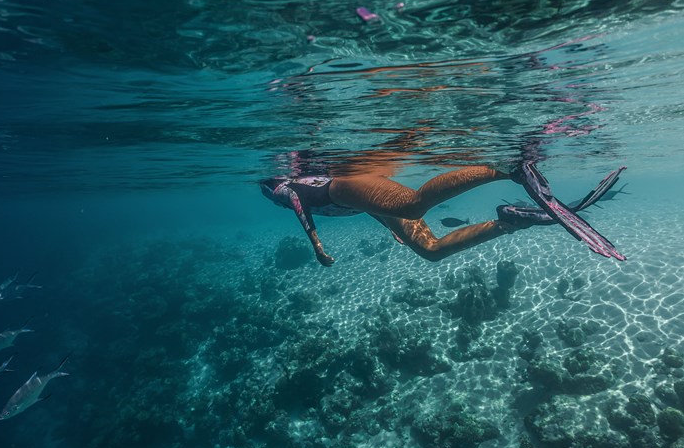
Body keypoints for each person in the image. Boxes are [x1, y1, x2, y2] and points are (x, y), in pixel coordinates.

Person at [260, 163, 626, 266]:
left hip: (347, 184)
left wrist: (316, 244)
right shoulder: (289, 186)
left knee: (413, 205)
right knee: (430, 250)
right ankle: (510, 220)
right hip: (361, 199)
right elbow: (359, 206)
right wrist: (384, 221)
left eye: (269, 191)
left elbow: (298, 205)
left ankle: (506, 170)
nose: (270, 197)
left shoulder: (284, 188)